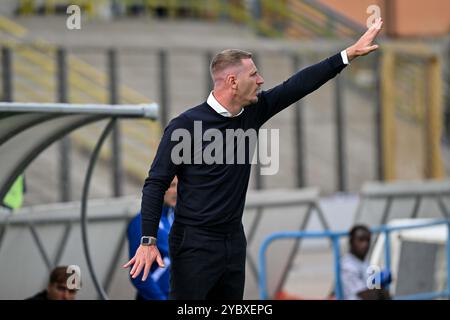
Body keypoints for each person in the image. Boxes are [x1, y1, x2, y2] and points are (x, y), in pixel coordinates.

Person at [124, 18, 384, 300]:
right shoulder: (184, 126)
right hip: (194, 244)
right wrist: (148, 241)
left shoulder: (253, 112)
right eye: (254, 75)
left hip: (233, 241)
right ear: (233, 82)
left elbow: (298, 85)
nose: (261, 81)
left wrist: (348, 55)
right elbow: (155, 183)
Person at [127, 177, 177, 300]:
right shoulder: (141, 223)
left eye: (179, 185)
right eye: (172, 185)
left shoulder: (177, 218)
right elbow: (138, 275)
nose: (177, 191)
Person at [340, 225, 391, 300]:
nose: (365, 244)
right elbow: (367, 295)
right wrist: (380, 285)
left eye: (368, 240)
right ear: (351, 241)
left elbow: (381, 292)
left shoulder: (365, 262)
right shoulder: (347, 265)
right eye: (361, 240)